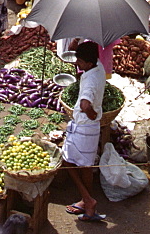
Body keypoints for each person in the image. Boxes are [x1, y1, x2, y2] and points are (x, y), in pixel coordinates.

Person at [63, 41, 108, 221]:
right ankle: (85, 201)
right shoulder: (98, 68)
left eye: (79, 61)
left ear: (88, 63)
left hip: (84, 126)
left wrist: (90, 113)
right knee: (86, 165)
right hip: (93, 128)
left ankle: (88, 199)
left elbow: (84, 103)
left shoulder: (89, 81)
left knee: (67, 161)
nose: (77, 64)